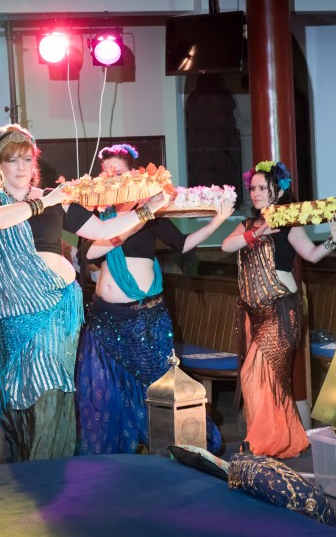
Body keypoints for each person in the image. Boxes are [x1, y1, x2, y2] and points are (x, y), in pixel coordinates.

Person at [0, 125, 170, 463]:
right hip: (13, 314)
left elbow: (104, 229)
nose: (21, 167)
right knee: (18, 393)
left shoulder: (55, 199)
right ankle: (17, 467)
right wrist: (44, 201)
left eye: (27, 159)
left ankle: (48, 467)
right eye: (12, 160)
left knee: (51, 390)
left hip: (57, 310)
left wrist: (147, 211)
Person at [75, 143, 234, 455]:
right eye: (106, 173)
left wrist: (216, 222)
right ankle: (116, 454)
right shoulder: (98, 217)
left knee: (159, 383)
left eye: (118, 173)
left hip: (144, 318)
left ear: (134, 175)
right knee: (106, 389)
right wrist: (130, 220)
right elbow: (89, 253)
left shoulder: (151, 213)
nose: (111, 179)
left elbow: (183, 244)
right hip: (103, 318)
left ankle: (187, 444)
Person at [221, 160, 336, 459]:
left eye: (262, 188)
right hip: (252, 311)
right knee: (264, 379)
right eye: (253, 188)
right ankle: (283, 439)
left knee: (254, 374)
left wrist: (334, 239)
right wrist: (256, 233)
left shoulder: (289, 224)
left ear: (277, 191)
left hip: (280, 309)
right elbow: (226, 246)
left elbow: (312, 255)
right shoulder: (247, 226)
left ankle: (265, 442)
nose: (256, 193)